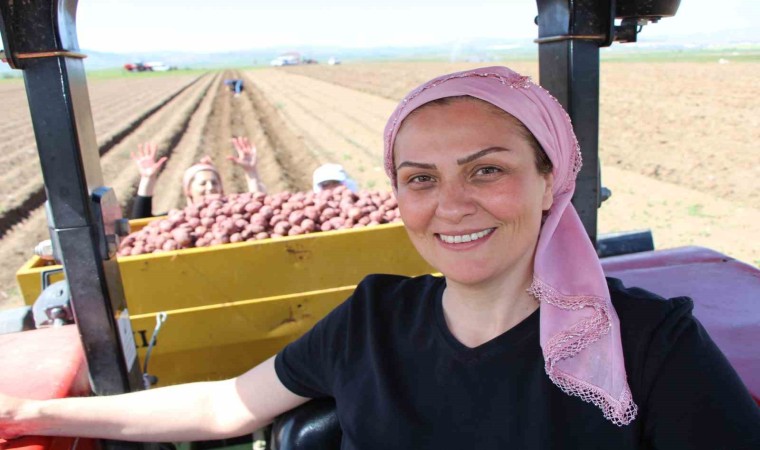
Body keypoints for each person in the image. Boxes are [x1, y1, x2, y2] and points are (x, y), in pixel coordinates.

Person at [2, 66, 759, 448]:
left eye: (487, 169)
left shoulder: (652, 345)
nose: (451, 205)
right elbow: (221, 404)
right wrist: (30, 409)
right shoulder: (372, 319)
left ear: (551, 179)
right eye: (419, 179)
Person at [130, 136, 266, 218]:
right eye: (203, 183)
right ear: (189, 190)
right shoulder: (179, 219)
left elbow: (259, 209)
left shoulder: (233, 213)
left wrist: (251, 172)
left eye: (214, 182)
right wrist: (147, 179)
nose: (210, 187)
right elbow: (141, 221)